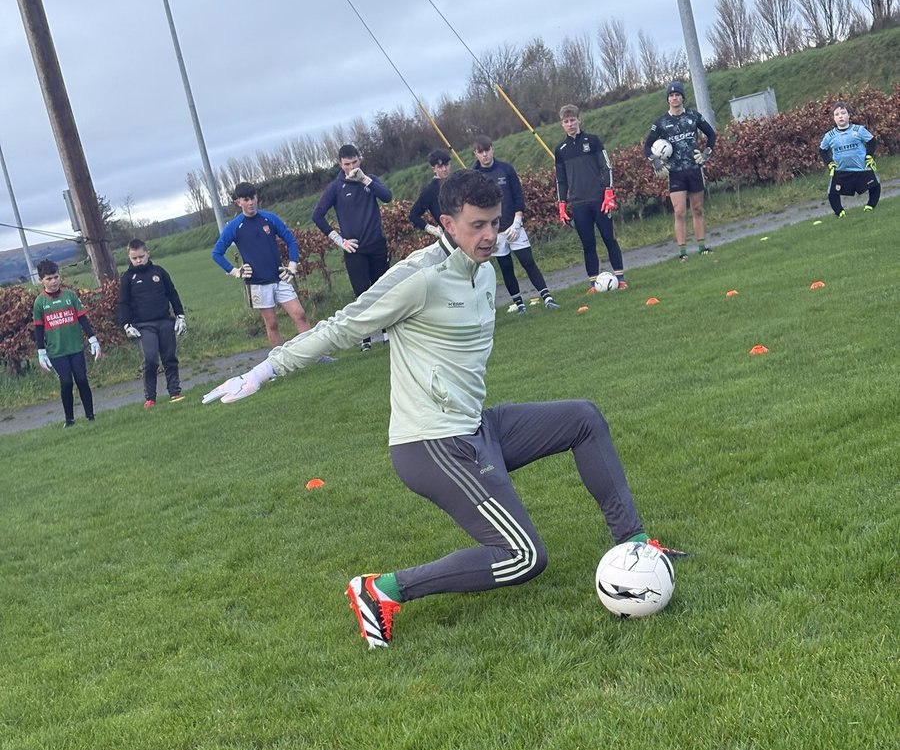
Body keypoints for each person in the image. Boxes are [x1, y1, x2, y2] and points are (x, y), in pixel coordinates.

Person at [203, 170, 684, 650]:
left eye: (494, 223)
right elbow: (342, 327)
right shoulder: (419, 277)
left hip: (476, 428)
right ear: (447, 224)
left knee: (584, 417)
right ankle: (381, 590)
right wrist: (263, 371)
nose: (490, 235)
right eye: (477, 225)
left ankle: (635, 546)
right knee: (522, 556)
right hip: (429, 444)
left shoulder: (483, 271)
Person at [312, 144, 393, 351]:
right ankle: (365, 337)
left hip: (377, 244)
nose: (351, 167)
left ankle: (387, 331)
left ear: (360, 160)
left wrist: (365, 179)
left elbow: (387, 197)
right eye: (347, 164)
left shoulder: (371, 180)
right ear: (340, 164)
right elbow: (317, 215)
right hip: (354, 250)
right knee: (362, 294)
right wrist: (340, 241)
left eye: (355, 162)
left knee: (382, 289)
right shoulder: (336, 187)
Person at [212, 183, 310, 348]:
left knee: (299, 314)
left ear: (257, 197)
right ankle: (281, 364)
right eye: (246, 199)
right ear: (239, 202)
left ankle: (317, 354)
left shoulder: (270, 218)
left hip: (280, 277)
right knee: (272, 324)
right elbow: (216, 253)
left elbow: (291, 241)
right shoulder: (235, 226)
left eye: (253, 198)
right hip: (257, 284)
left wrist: (292, 264)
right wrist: (235, 271)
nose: (251, 203)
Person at [472, 136, 558, 312]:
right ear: (476, 154)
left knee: (528, 261)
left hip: (513, 226)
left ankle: (547, 298)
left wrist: (517, 221)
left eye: (487, 150)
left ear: (492, 149)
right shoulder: (474, 177)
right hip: (494, 232)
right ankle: (520, 305)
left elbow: (518, 195)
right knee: (506, 268)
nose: (485, 155)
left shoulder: (506, 169)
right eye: (481, 152)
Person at [554, 105, 628, 289]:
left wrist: (608, 191)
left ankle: (620, 279)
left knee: (609, 239)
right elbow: (560, 180)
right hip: (578, 204)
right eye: (566, 121)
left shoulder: (593, 141)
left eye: (572, 120)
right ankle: (594, 284)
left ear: (579, 120)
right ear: (562, 124)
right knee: (588, 244)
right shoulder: (560, 150)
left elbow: (606, 166)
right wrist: (562, 204)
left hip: (599, 200)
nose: (570, 124)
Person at [642, 81, 717, 261]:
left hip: (693, 169)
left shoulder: (693, 116)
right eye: (671, 95)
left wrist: (707, 153)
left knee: (697, 209)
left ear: (683, 97)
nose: (674, 98)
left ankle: (701, 246)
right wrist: (656, 162)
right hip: (675, 172)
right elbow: (647, 145)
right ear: (667, 99)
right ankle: (682, 252)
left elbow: (711, 135)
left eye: (677, 95)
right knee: (679, 211)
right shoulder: (661, 122)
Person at [32, 258, 100, 427]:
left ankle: (90, 416)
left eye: (55, 277)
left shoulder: (70, 296)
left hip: (76, 347)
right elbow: (39, 329)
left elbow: (82, 318)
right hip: (57, 352)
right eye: (48, 279)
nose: (53, 281)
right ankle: (69, 419)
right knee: (67, 382)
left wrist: (93, 339)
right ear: (41, 281)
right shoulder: (40, 302)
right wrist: (41, 352)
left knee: (82, 380)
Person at [118, 239, 186, 408]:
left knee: (169, 357)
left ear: (147, 253)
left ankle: (174, 392)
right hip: (144, 325)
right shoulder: (127, 278)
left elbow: (172, 293)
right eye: (134, 258)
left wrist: (180, 316)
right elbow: (124, 303)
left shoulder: (159, 272)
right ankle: (150, 397)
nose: (138, 261)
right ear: (129, 257)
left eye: (141, 256)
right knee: (150, 359)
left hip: (164, 321)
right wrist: (127, 324)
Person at [819, 102, 880, 217]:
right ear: (833, 118)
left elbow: (872, 141)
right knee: (832, 193)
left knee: (875, 185)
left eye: (843, 113)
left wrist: (869, 156)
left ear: (849, 115)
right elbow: (822, 150)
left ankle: (870, 206)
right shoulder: (829, 136)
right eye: (837, 114)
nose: (840, 116)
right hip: (841, 170)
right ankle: (840, 212)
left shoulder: (859, 130)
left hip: (861, 168)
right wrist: (830, 163)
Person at [409, 148, 452, 238]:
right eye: (440, 167)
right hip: (450, 236)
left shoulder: (457, 181)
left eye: (446, 165)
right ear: (434, 169)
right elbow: (413, 215)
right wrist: (431, 229)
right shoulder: (429, 191)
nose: (444, 169)